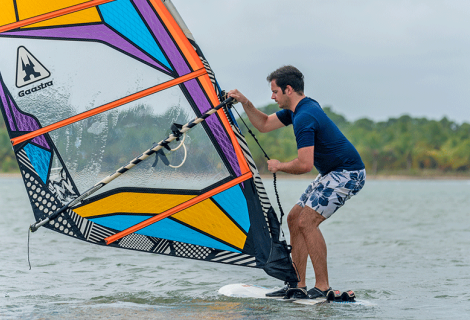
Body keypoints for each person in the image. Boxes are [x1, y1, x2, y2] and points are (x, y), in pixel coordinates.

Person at [227, 66, 366, 300]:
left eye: (275, 91)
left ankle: (322, 287)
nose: (272, 96)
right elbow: (263, 124)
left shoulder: (304, 116)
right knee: (294, 218)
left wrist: (279, 165)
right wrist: (244, 102)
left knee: (307, 221)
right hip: (331, 172)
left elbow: (304, 165)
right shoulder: (297, 109)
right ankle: (297, 284)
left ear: (288, 89)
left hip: (348, 173)